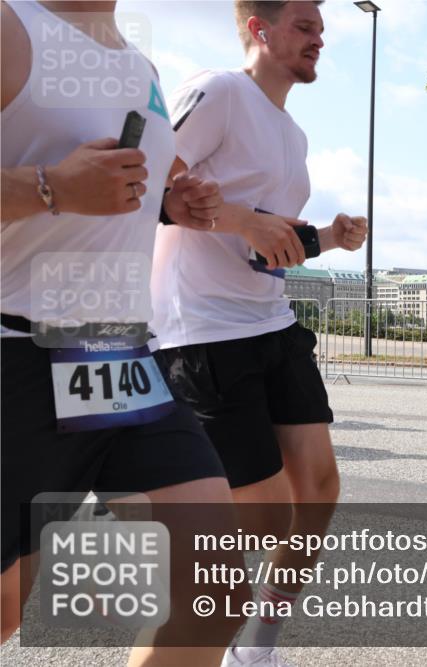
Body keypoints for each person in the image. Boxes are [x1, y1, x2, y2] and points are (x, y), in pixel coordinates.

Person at [1, 1, 249, 664]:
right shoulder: (9, 23)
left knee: (213, 582)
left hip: (116, 357)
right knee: (3, 608)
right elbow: (69, 186)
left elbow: (134, 185)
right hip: (15, 354)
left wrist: (176, 204)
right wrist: (51, 187)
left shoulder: (140, 64)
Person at [150, 2, 367, 665]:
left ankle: (258, 648)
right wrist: (245, 220)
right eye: (305, 25)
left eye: (321, 27)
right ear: (259, 29)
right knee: (264, 523)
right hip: (204, 332)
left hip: (270, 320)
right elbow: (152, 183)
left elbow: (268, 237)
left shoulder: (293, 136)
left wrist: (328, 235)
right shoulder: (218, 92)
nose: (319, 37)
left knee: (320, 491)